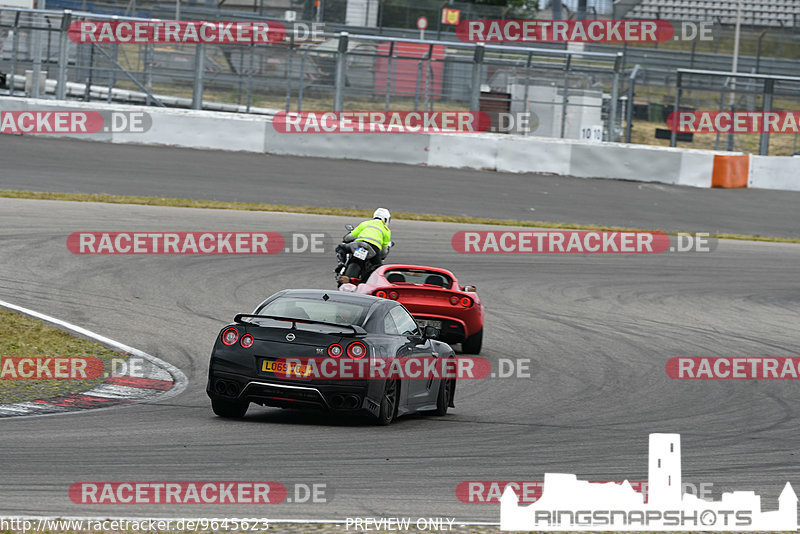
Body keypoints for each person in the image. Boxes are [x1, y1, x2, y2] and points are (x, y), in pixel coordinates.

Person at [335, 208, 392, 283]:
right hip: (373, 249)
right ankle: (369, 283)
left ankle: (341, 264)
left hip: (358, 245)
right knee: (378, 269)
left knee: (341, 248)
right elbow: (384, 251)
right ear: (386, 219)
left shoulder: (365, 223)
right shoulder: (386, 230)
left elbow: (349, 237)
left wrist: (346, 239)